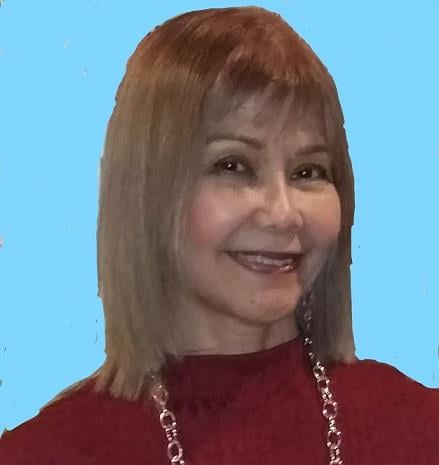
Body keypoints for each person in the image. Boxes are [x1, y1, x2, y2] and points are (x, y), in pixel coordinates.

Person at [0, 6, 438, 465]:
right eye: (233, 166)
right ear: (147, 193)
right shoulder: (47, 453)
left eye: (308, 171)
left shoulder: (421, 428)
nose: (283, 214)